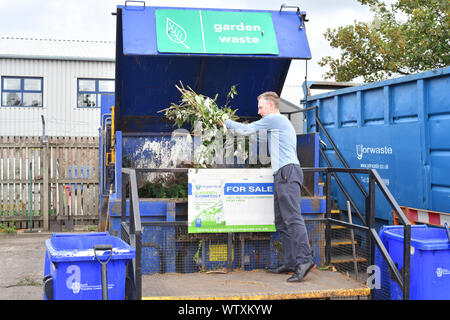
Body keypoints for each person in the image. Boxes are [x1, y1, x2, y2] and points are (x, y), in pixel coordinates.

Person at [220, 91, 315, 282]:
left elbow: (247, 130)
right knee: (282, 221)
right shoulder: (275, 126)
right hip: (282, 174)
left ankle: (305, 260)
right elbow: (255, 138)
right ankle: (290, 263)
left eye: (261, 107)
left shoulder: (275, 120)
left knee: (293, 219)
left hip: (287, 172)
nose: (259, 111)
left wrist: (225, 121)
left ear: (271, 106)